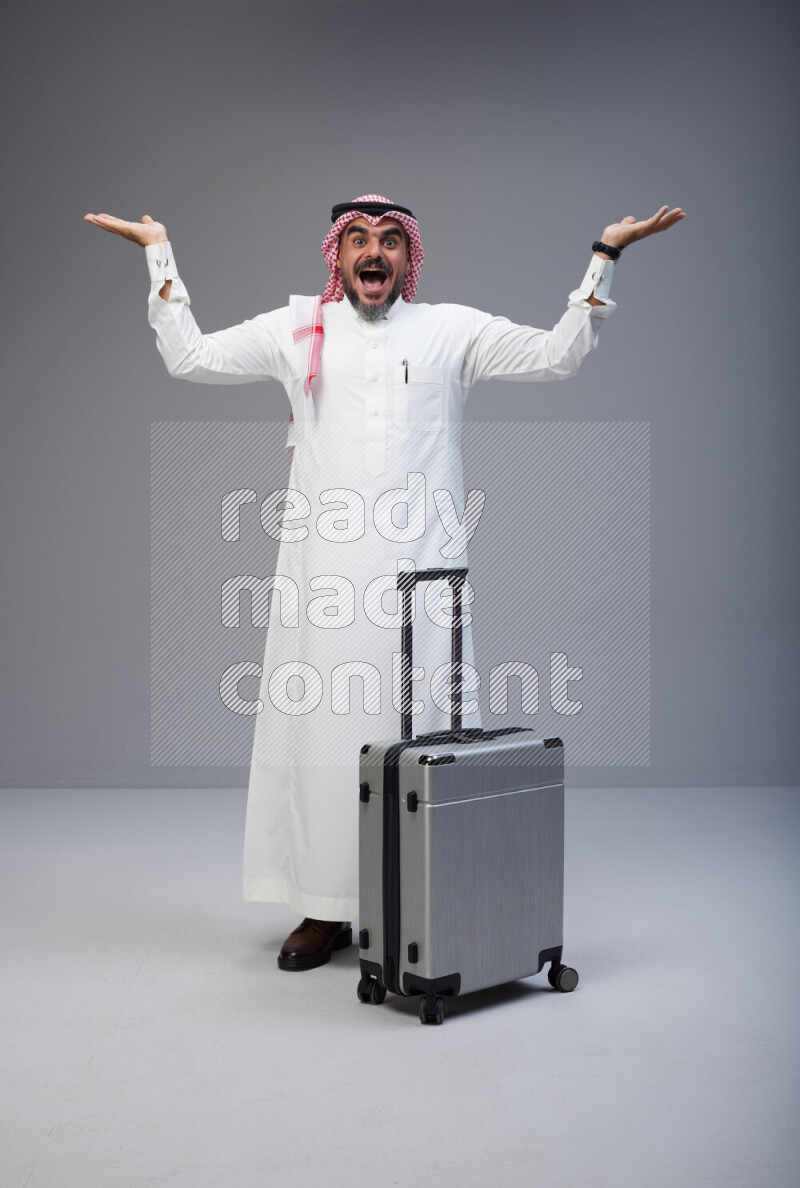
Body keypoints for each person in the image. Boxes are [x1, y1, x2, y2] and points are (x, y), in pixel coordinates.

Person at [84, 195, 685, 971]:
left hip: (421, 579)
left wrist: (605, 253)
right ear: (337, 255)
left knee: (423, 729)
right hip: (324, 580)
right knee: (324, 738)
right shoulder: (297, 327)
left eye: (391, 241)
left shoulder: (451, 330)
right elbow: (190, 357)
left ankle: (423, 896)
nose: (374, 253)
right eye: (359, 240)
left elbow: (557, 355)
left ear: (410, 257)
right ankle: (324, 907)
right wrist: (158, 251)